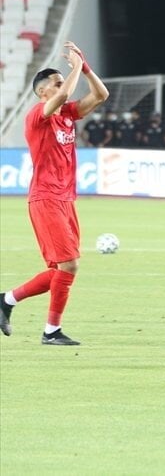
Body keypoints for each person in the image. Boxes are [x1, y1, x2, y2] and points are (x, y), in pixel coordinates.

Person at [0, 43, 109, 345]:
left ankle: (7, 301)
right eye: (57, 83)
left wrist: (86, 68)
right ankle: (50, 331)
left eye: (63, 82)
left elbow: (101, 95)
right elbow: (61, 96)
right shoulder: (38, 115)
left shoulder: (68, 115)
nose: (63, 88)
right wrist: (75, 68)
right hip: (46, 198)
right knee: (69, 265)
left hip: (65, 200)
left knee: (62, 269)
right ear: (42, 92)